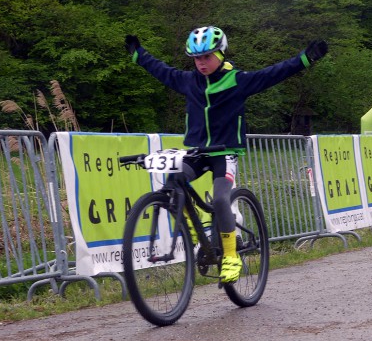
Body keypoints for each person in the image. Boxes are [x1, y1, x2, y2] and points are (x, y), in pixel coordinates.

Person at [125, 26, 328, 283]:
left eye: (207, 56)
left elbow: (275, 73)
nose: (201, 63)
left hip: (226, 152)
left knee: (221, 199)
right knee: (173, 184)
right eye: (197, 58)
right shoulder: (188, 81)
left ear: (220, 54)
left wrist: (306, 58)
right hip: (198, 152)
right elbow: (160, 70)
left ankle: (231, 255)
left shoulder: (237, 81)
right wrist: (138, 54)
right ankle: (198, 236)